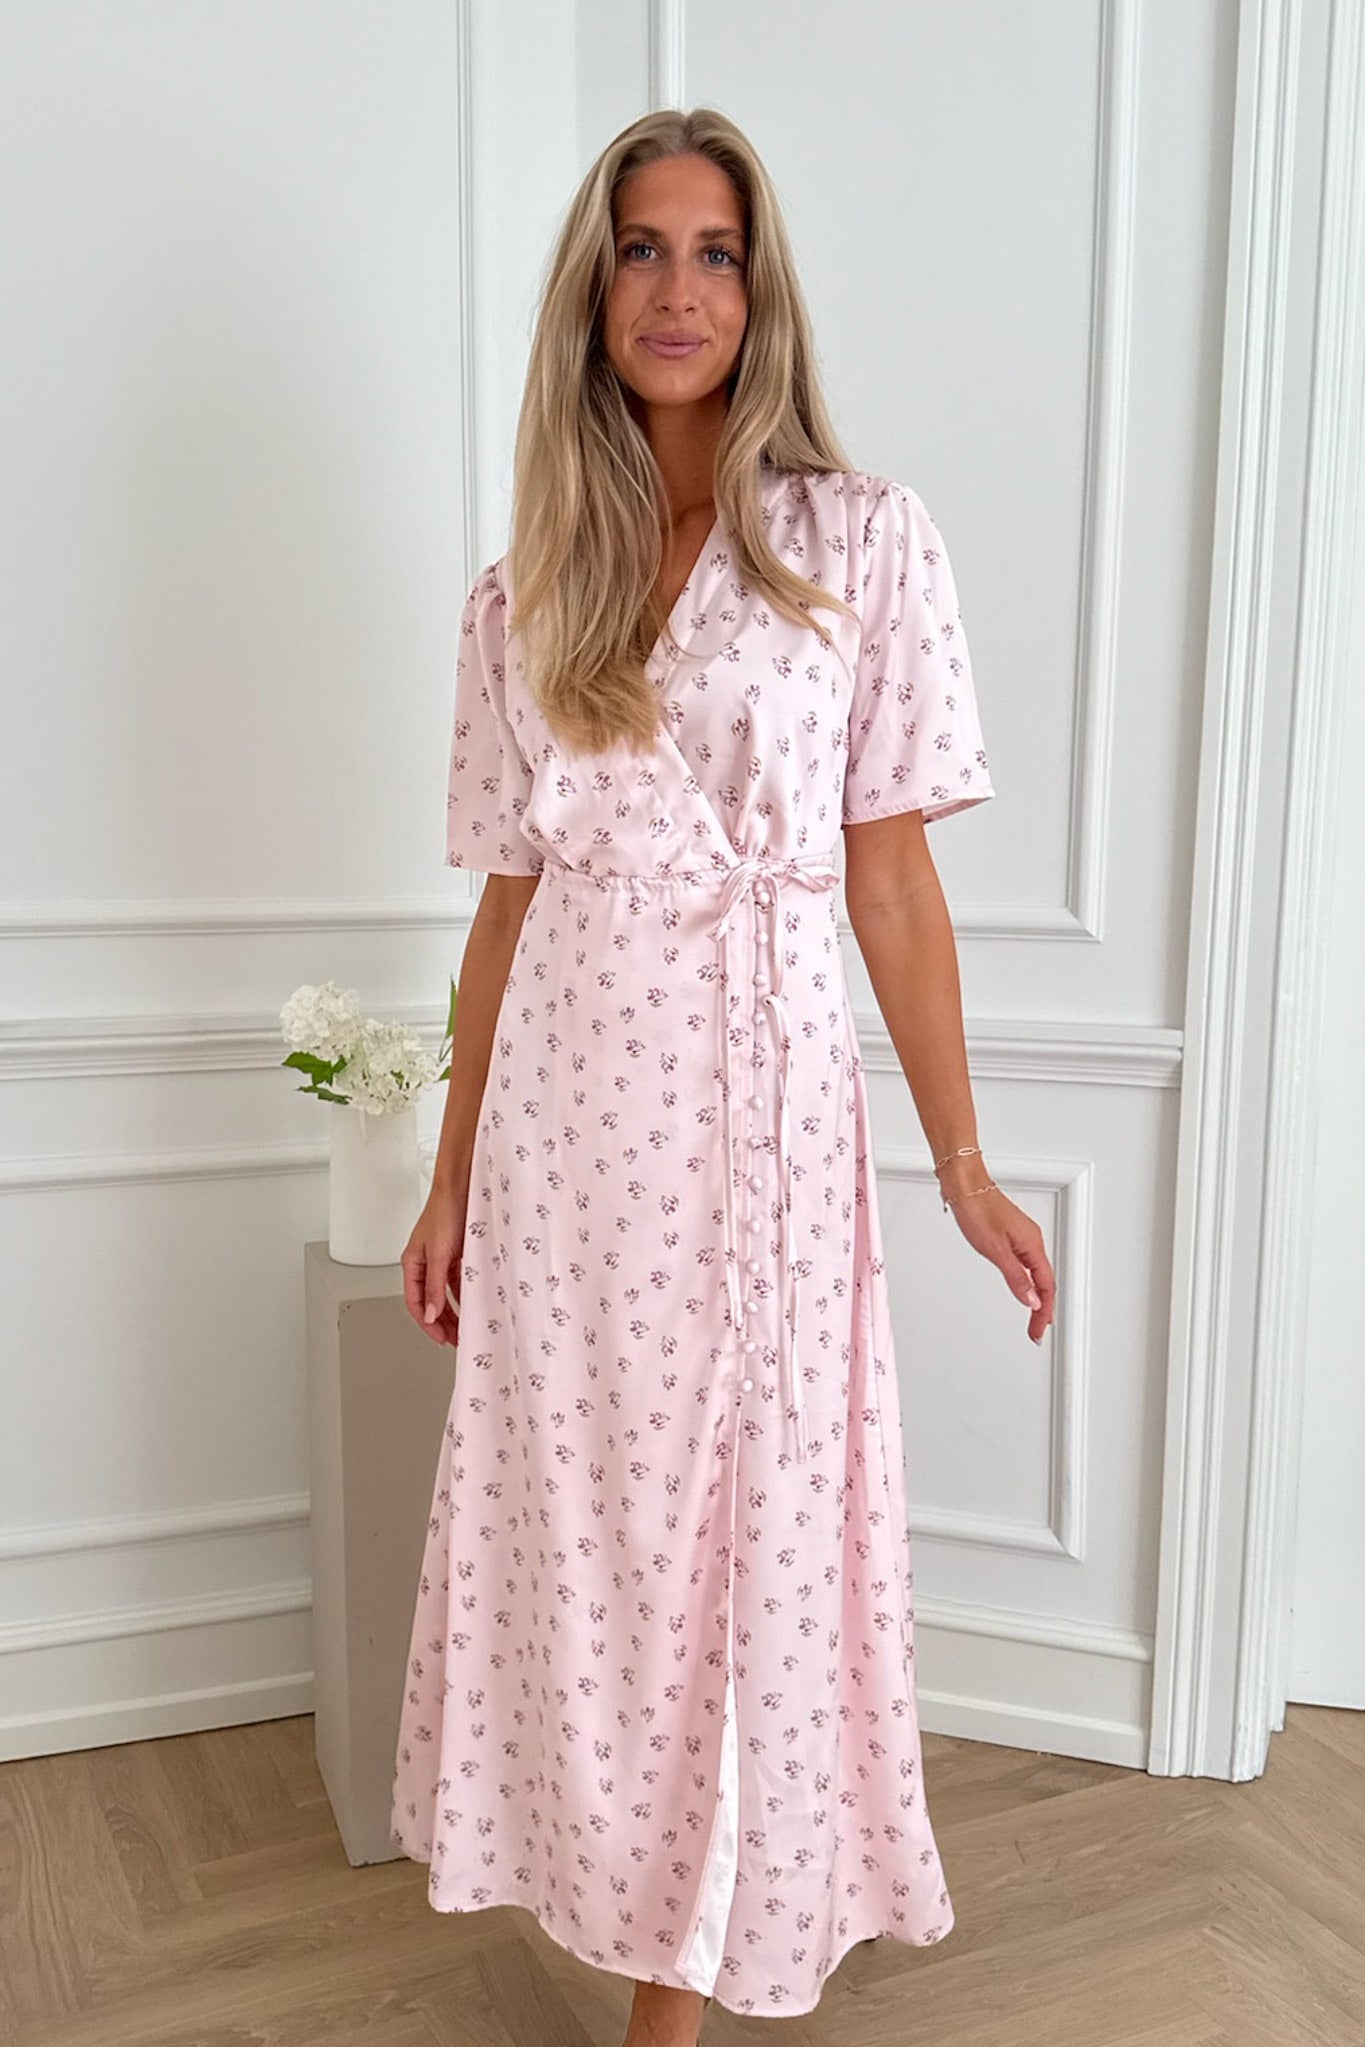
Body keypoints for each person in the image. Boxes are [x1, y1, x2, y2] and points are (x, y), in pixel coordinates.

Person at [391, 106, 1055, 2044]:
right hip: (564, 1134)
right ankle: (610, 1887)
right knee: (585, 1532)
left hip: (759, 1112)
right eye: (639, 248)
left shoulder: (859, 540)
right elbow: (504, 910)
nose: (675, 289)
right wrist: (450, 1175)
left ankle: (681, 1976)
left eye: (713, 252)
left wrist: (960, 1158)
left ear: (759, 296)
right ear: (589, 291)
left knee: (740, 1523)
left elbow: (891, 881)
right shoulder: (528, 588)